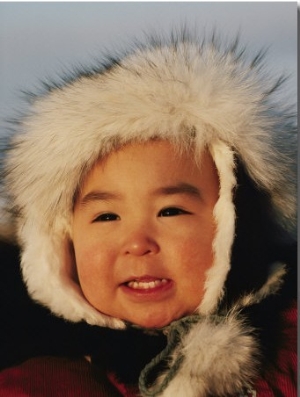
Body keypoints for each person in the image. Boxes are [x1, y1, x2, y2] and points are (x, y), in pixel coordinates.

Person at [0, 30, 297, 396]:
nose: (137, 244)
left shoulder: (288, 353)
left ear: (237, 225)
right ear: (62, 244)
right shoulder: (39, 384)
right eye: (106, 217)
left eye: (170, 211)